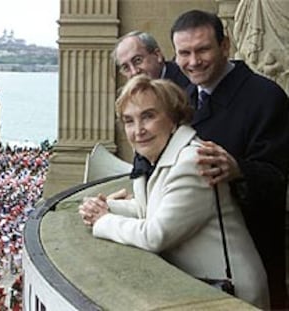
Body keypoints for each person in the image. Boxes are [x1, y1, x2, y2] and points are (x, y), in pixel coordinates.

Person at [79, 76, 269, 309]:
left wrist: (104, 221)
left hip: (232, 294)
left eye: (148, 116)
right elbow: (150, 210)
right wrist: (106, 207)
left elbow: (155, 235)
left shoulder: (192, 162)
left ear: (173, 119)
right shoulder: (157, 157)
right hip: (204, 287)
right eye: (129, 121)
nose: (138, 130)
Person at [170, 9, 289, 309]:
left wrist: (238, 169)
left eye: (202, 49)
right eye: (184, 53)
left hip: (252, 252)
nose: (193, 61)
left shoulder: (267, 97)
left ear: (226, 46)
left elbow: (278, 178)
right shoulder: (181, 99)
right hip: (192, 251)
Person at [112, 31, 189, 186]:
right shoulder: (138, 92)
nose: (134, 72)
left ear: (158, 55)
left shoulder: (186, 86)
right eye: (126, 67)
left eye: (138, 60)